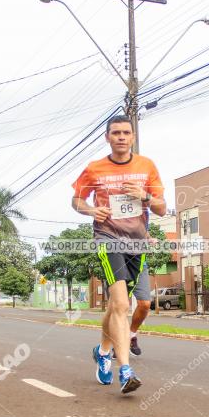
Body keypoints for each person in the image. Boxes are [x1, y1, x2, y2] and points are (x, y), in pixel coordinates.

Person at [72, 115, 166, 394]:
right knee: (123, 305)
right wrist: (90, 210)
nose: (121, 137)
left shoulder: (147, 166)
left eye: (126, 132)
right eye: (116, 133)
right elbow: (76, 199)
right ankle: (125, 370)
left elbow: (161, 208)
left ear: (133, 137)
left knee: (115, 306)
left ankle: (102, 351)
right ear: (107, 137)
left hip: (137, 243)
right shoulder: (94, 168)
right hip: (108, 238)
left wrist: (144, 196)